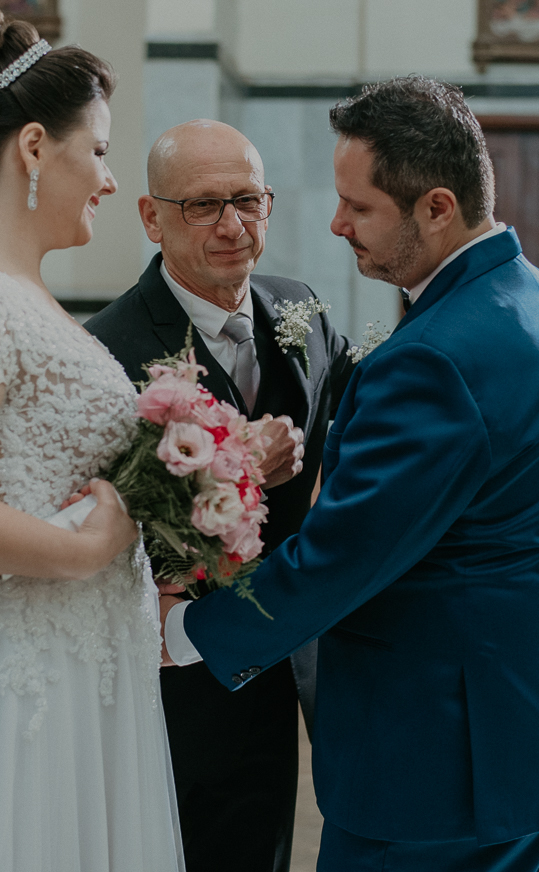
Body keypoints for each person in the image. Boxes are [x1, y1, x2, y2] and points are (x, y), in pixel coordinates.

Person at [162, 78, 539, 872]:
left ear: (436, 207)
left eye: (358, 207)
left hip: (446, 767)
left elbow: (344, 555)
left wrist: (188, 632)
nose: (335, 224)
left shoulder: (432, 357)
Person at [0, 0, 185, 871]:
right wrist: (77, 550)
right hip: (10, 688)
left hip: (72, 673)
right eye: (95, 150)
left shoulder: (22, 294)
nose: (106, 177)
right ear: (31, 148)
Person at [85, 119, 355, 872]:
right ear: (151, 216)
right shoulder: (106, 349)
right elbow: (101, 530)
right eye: (204, 205)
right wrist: (233, 469)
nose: (232, 226)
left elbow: (368, 411)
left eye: (248, 200)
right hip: (172, 676)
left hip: (282, 662)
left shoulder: (299, 307)